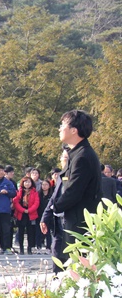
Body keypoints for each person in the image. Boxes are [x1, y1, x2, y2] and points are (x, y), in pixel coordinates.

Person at [51, 110, 102, 258]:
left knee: (79, 267)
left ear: (74, 130)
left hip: (80, 223)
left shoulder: (83, 157)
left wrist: (55, 206)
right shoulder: (77, 153)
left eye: (63, 125)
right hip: (75, 219)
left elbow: (73, 191)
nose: (59, 129)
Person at [13, 176, 39, 255]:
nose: (27, 184)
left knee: (30, 232)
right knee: (20, 231)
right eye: (26, 182)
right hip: (21, 214)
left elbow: (36, 203)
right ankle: (21, 248)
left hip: (31, 214)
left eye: (29, 182)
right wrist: (23, 210)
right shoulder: (19, 191)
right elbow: (16, 202)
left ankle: (29, 248)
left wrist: (29, 210)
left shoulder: (34, 192)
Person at [36, 180, 53, 254]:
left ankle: (48, 247)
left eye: (46, 184)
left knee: (48, 232)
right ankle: (38, 247)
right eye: (43, 184)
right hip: (39, 214)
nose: (44, 186)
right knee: (38, 232)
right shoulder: (38, 194)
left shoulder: (52, 195)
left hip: (49, 216)